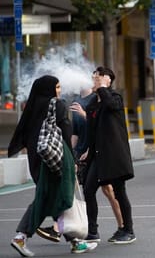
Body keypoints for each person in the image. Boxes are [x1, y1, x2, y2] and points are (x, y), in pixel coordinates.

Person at [8, 75, 97, 256]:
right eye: (56, 87)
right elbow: (66, 131)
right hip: (56, 161)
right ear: (48, 89)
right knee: (52, 198)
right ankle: (21, 237)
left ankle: (75, 242)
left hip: (39, 160)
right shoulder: (57, 105)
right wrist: (72, 159)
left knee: (56, 198)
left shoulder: (33, 108)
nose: (59, 91)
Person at [80, 67, 136, 245]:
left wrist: (103, 87)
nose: (95, 80)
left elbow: (111, 105)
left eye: (99, 78)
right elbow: (91, 131)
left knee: (119, 192)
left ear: (108, 80)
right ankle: (93, 231)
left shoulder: (115, 98)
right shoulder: (91, 105)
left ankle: (128, 230)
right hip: (97, 155)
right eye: (94, 77)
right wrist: (86, 150)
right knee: (88, 190)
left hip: (114, 155)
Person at [70, 87, 124, 237]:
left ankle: (122, 225)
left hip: (95, 151)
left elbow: (99, 125)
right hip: (83, 151)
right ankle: (86, 230)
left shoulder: (96, 100)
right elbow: (75, 131)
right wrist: (70, 150)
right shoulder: (76, 100)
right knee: (81, 190)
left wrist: (84, 114)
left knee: (107, 190)